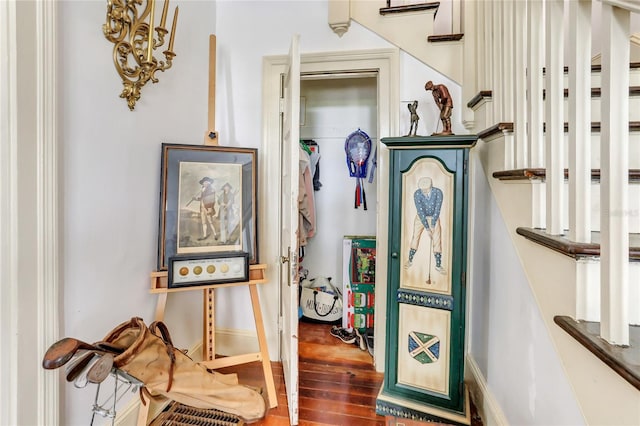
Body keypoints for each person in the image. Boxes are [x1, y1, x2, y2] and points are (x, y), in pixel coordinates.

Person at [405, 177, 446, 275]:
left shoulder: (438, 192)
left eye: (426, 190)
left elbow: (437, 209)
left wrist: (433, 224)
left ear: (431, 187)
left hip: (434, 217)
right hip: (421, 218)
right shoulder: (417, 194)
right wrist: (427, 228)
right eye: (422, 190)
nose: (423, 192)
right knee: (415, 237)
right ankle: (410, 260)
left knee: (436, 239)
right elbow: (420, 211)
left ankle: (438, 265)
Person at [195, 177, 218, 241]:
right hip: (202, 209)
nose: (205, 183)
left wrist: (210, 208)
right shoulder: (203, 190)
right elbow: (202, 198)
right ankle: (204, 236)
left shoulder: (211, 190)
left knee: (210, 222)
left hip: (207, 208)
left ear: (209, 183)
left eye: (206, 182)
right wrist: (196, 199)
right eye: (204, 182)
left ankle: (215, 234)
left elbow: (212, 200)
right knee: (203, 223)